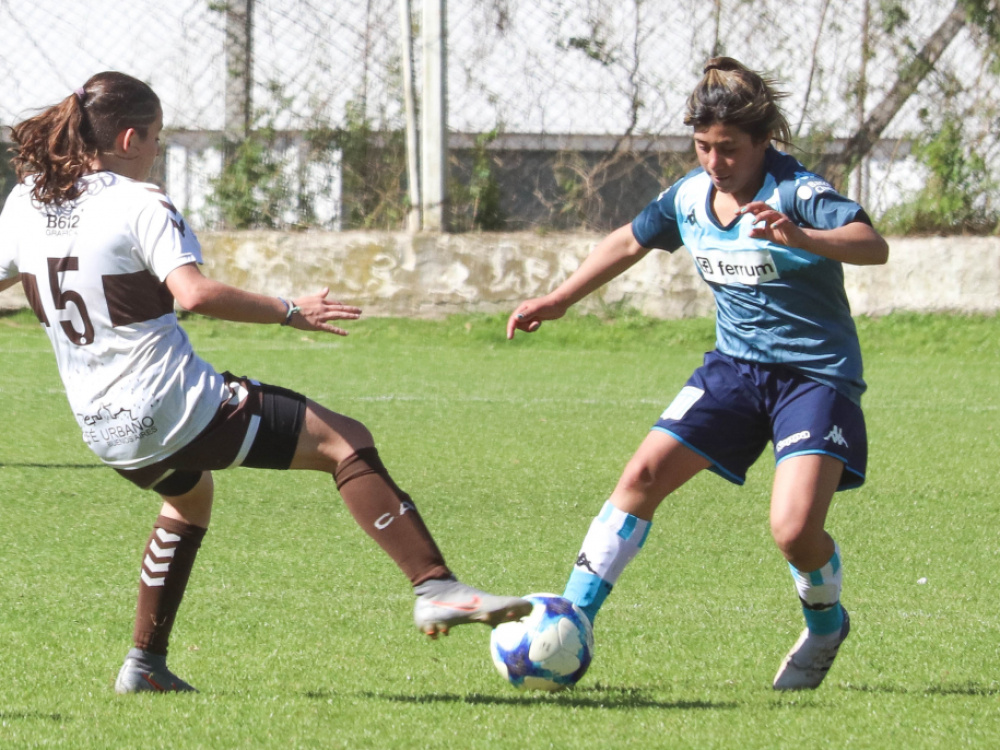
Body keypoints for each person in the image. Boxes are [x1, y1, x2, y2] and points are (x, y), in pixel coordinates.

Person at [0, 71, 530, 694]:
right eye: (158, 137)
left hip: (103, 430)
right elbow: (194, 293)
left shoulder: (28, 201)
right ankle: (435, 586)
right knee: (342, 441)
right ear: (129, 138)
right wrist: (289, 309)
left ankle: (144, 666)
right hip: (175, 407)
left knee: (190, 499)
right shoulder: (139, 202)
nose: (158, 151)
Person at [507, 57, 889, 691]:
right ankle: (571, 620)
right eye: (703, 146)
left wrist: (803, 239)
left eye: (729, 148)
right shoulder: (688, 197)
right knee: (641, 475)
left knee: (794, 531)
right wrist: (559, 299)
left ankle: (826, 626)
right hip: (734, 370)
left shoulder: (797, 193)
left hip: (815, 377)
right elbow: (628, 240)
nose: (715, 161)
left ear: (763, 142)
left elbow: (872, 244)